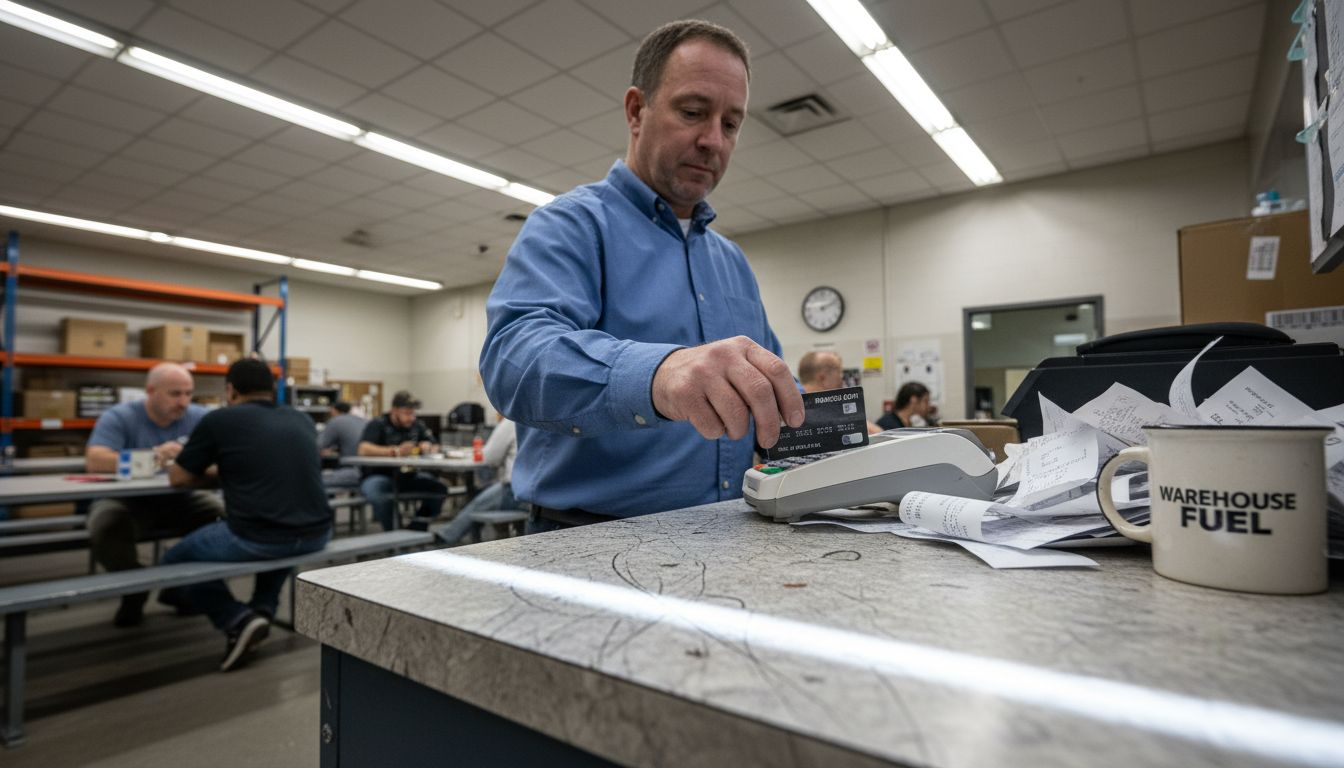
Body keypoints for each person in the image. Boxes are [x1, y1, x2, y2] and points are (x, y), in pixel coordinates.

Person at [480, 19, 804, 531]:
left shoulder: (732, 261)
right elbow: (513, 360)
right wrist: (660, 374)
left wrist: (843, 431)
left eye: (731, 124)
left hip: (728, 530)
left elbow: (769, 384)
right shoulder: (569, 226)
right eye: (693, 112)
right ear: (636, 110)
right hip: (586, 540)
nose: (713, 140)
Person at [164, 359, 332, 672]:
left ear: (231, 390)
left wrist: (200, 466)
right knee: (281, 532)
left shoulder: (220, 420)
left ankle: (236, 618)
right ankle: (263, 609)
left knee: (173, 560)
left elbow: (179, 478)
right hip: (318, 534)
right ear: (273, 388)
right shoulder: (301, 419)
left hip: (258, 536)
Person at [84, 362, 223, 627]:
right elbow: (95, 460)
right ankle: (134, 589)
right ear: (150, 391)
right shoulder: (120, 416)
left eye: (188, 393)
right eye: (175, 394)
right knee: (104, 526)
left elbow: (223, 457)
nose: (183, 402)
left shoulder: (200, 418)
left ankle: (180, 587)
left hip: (181, 498)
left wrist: (192, 461)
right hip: (127, 502)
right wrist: (152, 457)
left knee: (222, 519)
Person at [357, 390, 446, 531]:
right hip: (379, 475)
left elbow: (435, 445)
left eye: (413, 413)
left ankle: (416, 528)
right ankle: (393, 532)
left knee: (439, 489)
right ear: (394, 411)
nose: (411, 418)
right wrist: (395, 451)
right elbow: (363, 449)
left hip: (407, 476)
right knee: (377, 492)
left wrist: (428, 446)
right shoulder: (378, 424)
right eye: (407, 413)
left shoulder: (417, 425)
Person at [435, 414, 522, 546]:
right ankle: (466, 538)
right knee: (483, 496)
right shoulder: (537, 419)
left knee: (477, 504)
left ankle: (445, 538)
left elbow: (489, 458)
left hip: (515, 491)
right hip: (536, 494)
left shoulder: (510, 421)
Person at [798, 351, 882, 434]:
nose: (841, 382)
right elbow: (876, 433)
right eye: (839, 376)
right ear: (822, 378)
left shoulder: (794, 409)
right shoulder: (832, 416)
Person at [319, 401, 366, 489]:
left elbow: (318, 445)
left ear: (334, 410)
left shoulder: (336, 421)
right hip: (368, 472)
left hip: (353, 472)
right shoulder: (361, 420)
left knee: (313, 479)